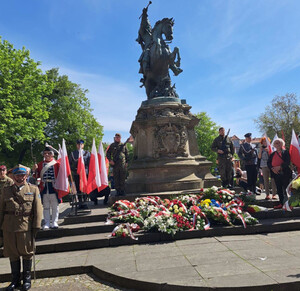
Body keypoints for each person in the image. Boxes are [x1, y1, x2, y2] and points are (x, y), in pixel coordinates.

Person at [0, 164, 43, 291]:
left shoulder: (33, 189)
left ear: (26, 176)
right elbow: (1, 210)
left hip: (25, 226)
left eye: (22, 175)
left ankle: (27, 280)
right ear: (13, 176)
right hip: (9, 227)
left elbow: (38, 210)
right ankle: (15, 280)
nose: (20, 177)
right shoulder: (6, 190)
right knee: (12, 254)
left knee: (27, 253)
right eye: (17, 175)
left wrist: (36, 226)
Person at [33, 147, 60, 229]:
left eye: (48, 153)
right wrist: (34, 170)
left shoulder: (57, 164)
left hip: (54, 187)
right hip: (44, 187)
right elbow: (36, 176)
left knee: (55, 206)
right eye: (45, 153)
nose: (47, 155)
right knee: (46, 206)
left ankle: (54, 222)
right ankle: (47, 222)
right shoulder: (40, 164)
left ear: (52, 154)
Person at [267, 138, 292, 209]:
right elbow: (268, 163)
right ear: (274, 145)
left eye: (279, 143)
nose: (277, 144)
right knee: (279, 188)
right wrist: (272, 168)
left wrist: (280, 167)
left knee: (286, 188)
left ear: (282, 144)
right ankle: (281, 203)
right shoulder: (272, 154)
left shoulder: (285, 152)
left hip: (285, 173)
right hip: (276, 174)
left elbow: (287, 162)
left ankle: (288, 204)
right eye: (276, 143)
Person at [69, 139, 90, 209]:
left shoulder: (87, 153)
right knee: (78, 188)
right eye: (78, 144)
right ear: (76, 145)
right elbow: (70, 164)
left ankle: (85, 202)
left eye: (81, 144)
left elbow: (89, 164)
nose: (80, 145)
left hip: (85, 174)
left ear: (83, 145)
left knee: (84, 188)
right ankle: (80, 203)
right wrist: (74, 169)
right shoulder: (73, 153)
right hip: (76, 173)